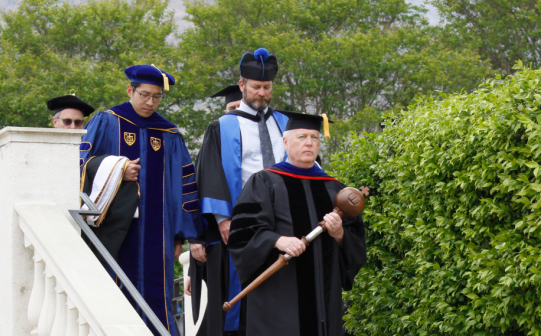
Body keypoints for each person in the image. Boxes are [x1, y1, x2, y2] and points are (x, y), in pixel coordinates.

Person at [79, 64, 204, 336]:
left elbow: (184, 187)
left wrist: (180, 236)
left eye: (156, 97)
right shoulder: (107, 121)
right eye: (144, 94)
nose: (150, 102)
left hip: (158, 232)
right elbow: (81, 164)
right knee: (113, 288)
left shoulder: (169, 134)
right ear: (129, 90)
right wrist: (117, 169)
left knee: (156, 292)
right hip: (114, 228)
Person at [227, 112, 367, 336]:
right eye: (302, 137)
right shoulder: (264, 182)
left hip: (324, 298)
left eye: (314, 137)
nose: (309, 143)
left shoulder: (334, 188)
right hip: (279, 296)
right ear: (285, 141)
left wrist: (340, 234)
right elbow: (242, 233)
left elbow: (357, 245)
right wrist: (277, 240)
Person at [186, 48, 289, 336]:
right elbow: (210, 175)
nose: (261, 94)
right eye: (256, 87)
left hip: (282, 220)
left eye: (267, 88)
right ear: (242, 85)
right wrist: (223, 220)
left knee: (278, 289)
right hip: (239, 221)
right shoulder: (223, 126)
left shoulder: (286, 124)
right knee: (239, 295)